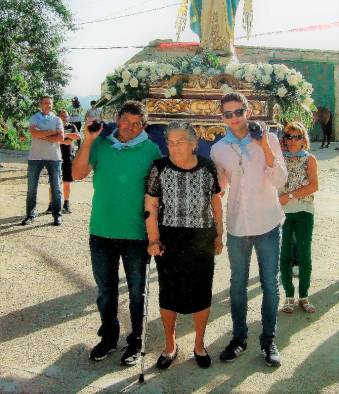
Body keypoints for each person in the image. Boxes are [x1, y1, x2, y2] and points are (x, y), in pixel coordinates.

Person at [72, 100, 162, 365]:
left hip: (136, 234)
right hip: (101, 230)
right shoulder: (100, 143)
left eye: (137, 124)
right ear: (117, 119)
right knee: (106, 291)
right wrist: (87, 140)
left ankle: (136, 341)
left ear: (143, 125)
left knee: (137, 291)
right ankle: (109, 338)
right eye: (125, 122)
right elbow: (77, 174)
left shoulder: (151, 150)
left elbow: (158, 194)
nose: (130, 129)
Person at [210, 92, 288, 367]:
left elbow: (279, 180)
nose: (234, 118)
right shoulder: (218, 149)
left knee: (269, 284)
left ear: (248, 111)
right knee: (238, 285)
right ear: (222, 117)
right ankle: (239, 338)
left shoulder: (270, 139)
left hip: (267, 222)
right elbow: (220, 187)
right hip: (237, 225)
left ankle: (268, 341)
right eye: (227, 114)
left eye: (238, 112)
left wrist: (264, 146)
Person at [145, 121, 223, 369]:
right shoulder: (159, 167)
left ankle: (199, 345)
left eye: (180, 142)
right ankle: (170, 345)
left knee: (201, 291)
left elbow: (216, 202)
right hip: (170, 238)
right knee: (169, 293)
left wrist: (220, 234)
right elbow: (151, 206)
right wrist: (153, 239)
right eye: (170, 142)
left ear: (193, 143)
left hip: (202, 237)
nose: (174, 146)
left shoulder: (208, 166)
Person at [279, 122, 319, 314]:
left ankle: (304, 296)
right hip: (282, 213)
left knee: (304, 254)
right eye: (289, 137)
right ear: (284, 140)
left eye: (297, 137)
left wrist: (290, 196)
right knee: (285, 254)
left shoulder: (309, 159)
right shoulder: (280, 159)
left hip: (303, 211)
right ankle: (288, 296)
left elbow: (313, 186)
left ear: (304, 140)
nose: (293, 141)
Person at [20, 96, 64, 227]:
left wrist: (42, 134)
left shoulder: (57, 119)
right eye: (45, 102)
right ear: (41, 104)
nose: (48, 104)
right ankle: (30, 215)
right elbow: (34, 134)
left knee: (56, 188)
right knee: (31, 188)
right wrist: (52, 133)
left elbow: (61, 138)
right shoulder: (34, 118)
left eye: (50, 102)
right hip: (35, 157)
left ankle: (57, 216)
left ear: (52, 104)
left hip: (54, 158)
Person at [46, 110, 80, 214]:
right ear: (58, 117)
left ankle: (66, 204)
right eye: (62, 116)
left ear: (68, 118)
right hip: (55, 157)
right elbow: (49, 139)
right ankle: (51, 205)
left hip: (68, 158)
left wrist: (62, 134)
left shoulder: (72, 126)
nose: (64, 118)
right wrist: (64, 141)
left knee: (67, 183)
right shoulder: (53, 126)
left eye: (66, 116)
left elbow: (77, 136)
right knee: (53, 183)